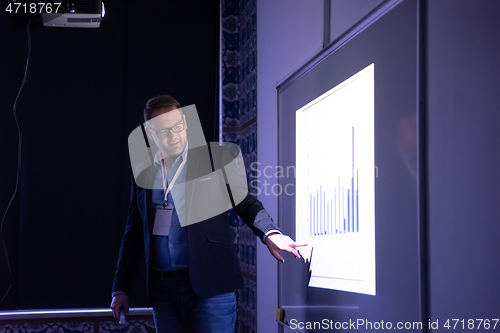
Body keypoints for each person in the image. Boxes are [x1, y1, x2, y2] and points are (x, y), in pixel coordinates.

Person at [110, 95, 305, 333]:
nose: (172, 136)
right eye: (163, 131)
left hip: (212, 286)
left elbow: (245, 202)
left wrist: (270, 233)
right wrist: (120, 288)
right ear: (150, 134)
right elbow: (133, 233)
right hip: (164, 292)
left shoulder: (215, 158)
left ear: (185, 122)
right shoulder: (144, 173)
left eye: (177, 126)